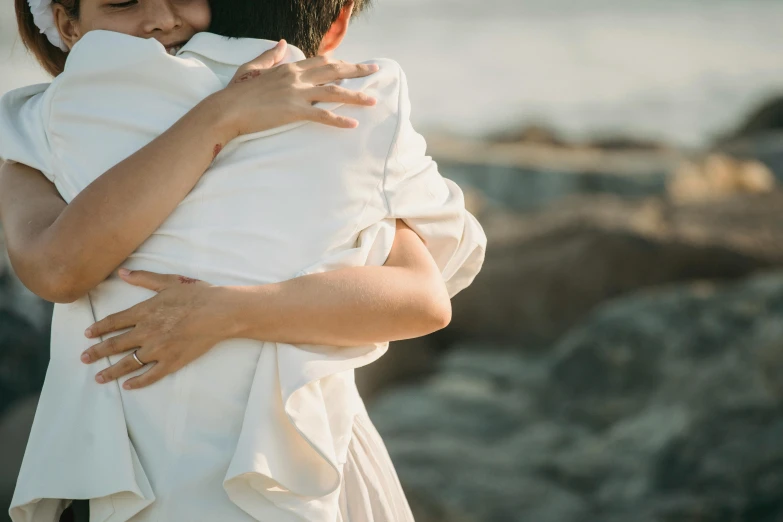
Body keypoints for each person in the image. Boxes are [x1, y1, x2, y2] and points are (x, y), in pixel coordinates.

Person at [0, 1, 486, 522]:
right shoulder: (42, 123)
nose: (161, 18)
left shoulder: (314, 105)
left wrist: (225, 312)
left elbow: (422, 297)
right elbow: (56, 270)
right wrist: (223, 116)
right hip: (136, 463)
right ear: (67, 23)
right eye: (124, 1)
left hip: (298, 457)